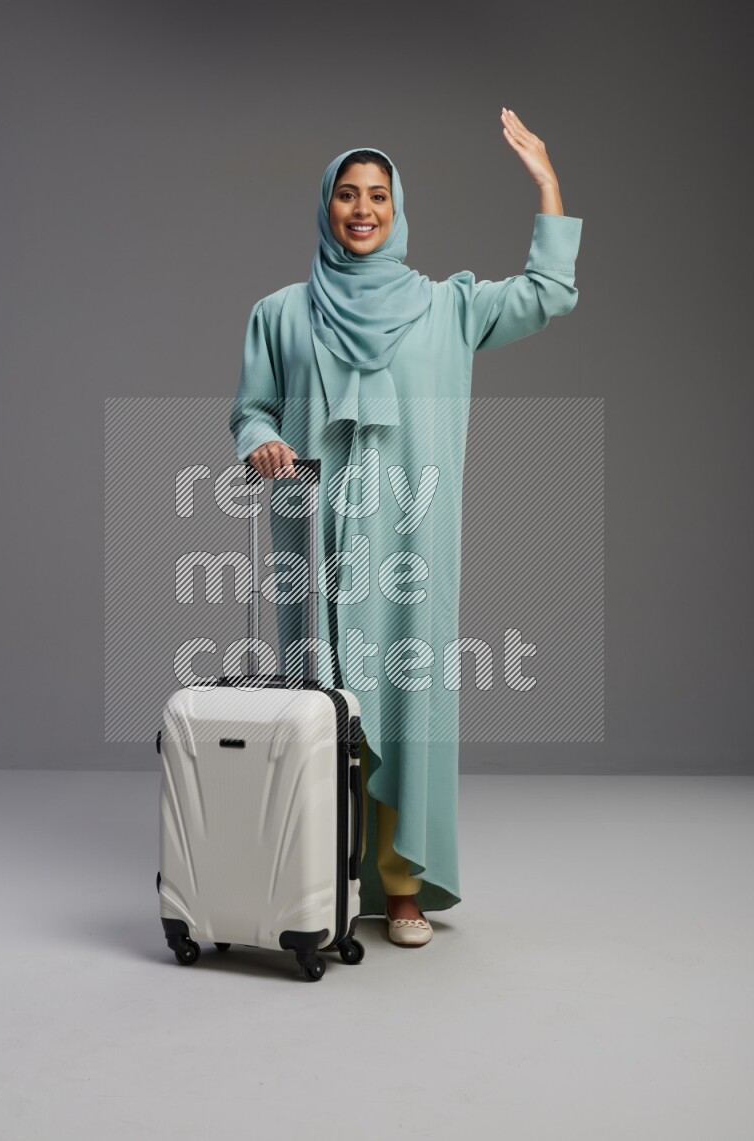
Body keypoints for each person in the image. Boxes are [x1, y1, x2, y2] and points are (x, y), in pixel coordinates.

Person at [229, 110, 582, 947]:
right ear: (326, 206)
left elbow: (548, 294)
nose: (362, 209)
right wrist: (263, 441)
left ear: (397, 207)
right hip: (313, 541)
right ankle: (317, 879)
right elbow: (247, 411)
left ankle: (401, 886)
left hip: (411, 547)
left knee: (406, 705)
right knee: (319, 707)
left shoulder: (446, 308)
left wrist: (546, 182)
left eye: (377, 196)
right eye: (347, 195)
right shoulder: (280, 313)